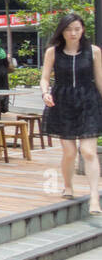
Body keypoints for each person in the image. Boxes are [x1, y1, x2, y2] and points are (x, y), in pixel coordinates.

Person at [41, 13, 102, 212]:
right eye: (69, 29)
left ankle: (94, 197)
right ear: (62, 31)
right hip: (62, 101)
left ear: (83, 29)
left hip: (88, 102)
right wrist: (45, 93)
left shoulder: (93, 52)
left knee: (89, 152)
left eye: (77, 28)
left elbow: (99, 80)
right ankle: (68, 185)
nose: (73, 33)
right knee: (69, 152)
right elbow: (44, 78)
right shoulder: (53, 52)